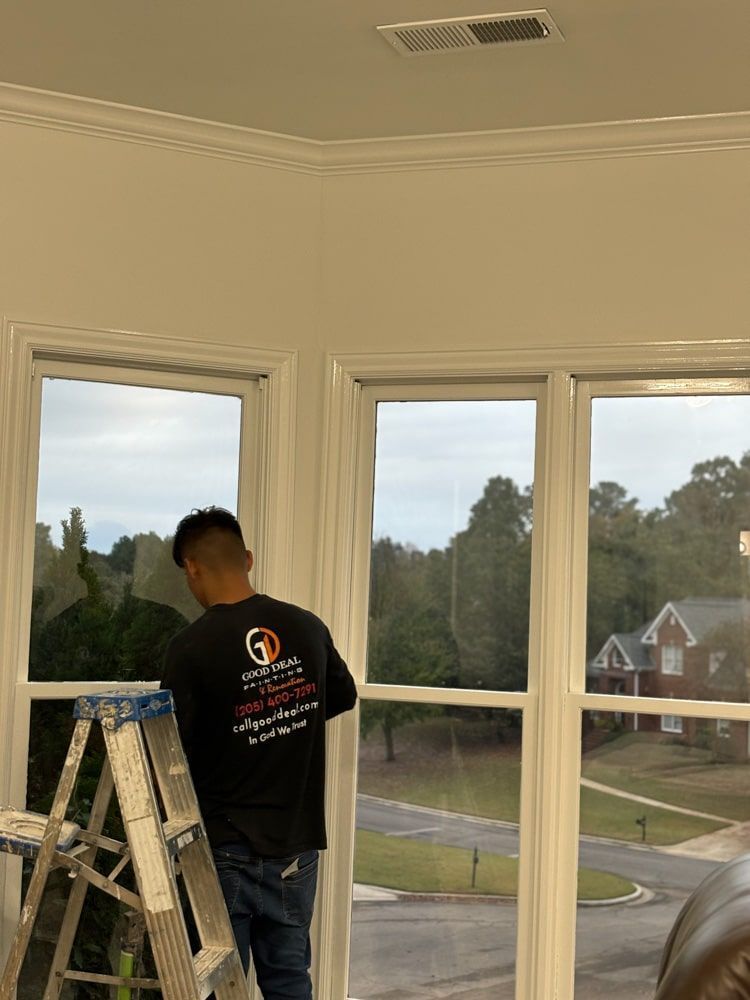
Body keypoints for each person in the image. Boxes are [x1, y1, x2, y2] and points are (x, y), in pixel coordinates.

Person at [161, 507, 357, 1000]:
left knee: (218, 987)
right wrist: (279, 719)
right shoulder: (306, 627)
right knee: (290, 980)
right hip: (295, 845)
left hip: (224, 850)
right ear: (247, 558)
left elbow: (171, 746)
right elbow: (342, 695)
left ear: (191, 568)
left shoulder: (190, 648)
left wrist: (245, 725)